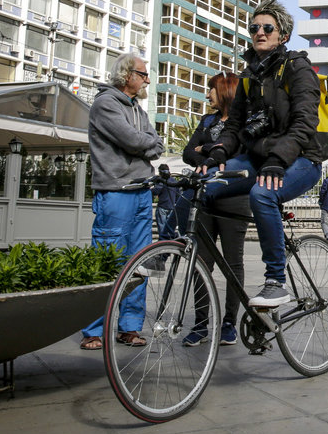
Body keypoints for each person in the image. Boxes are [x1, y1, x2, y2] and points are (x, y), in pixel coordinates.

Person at [202, 0, 325, 309]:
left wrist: (277, 159)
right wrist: (217, 153)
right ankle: (175, 250)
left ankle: (275, 281)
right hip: (260, 159)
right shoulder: (248, 76)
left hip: (301, 160)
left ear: (282, 35)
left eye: (267, 28)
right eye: (254, 27)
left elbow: (305, 123)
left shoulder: (298, 69)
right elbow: (235, 128)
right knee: (202, 185)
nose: (259, 32)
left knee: (262, 194)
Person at [80, 52, 164, 351]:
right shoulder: (106, 104)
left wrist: (146, 143)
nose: (147, 80)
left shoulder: (137, 109)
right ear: (127, 75)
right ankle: (93, 329)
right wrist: (146, 143)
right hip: (116, 191)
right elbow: (133, 140)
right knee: (106, 260)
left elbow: (155, 142)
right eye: (142, 74)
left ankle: (128, 327)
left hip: (141, 191)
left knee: (138, 263)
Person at [180, 72, 246, 346]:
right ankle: (200, 323)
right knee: (201, 262)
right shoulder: (207, 120)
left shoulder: (243, 122)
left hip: (234, 196)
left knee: (233, 262)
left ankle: (229, 322)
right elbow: (187, 151)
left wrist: (205, 148)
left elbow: (238, 153)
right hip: (205, 195)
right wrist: (209, 155)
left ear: (226, 91)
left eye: (212, 91)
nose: (208, 96)